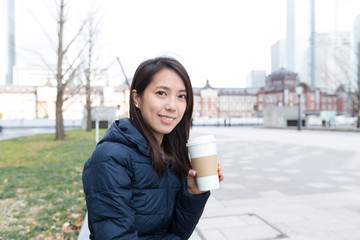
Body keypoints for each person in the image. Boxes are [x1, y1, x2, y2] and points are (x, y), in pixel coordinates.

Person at [82, 57, 224, 239]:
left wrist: (192, 194)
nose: (172, 106)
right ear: (136, 98)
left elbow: (177, 233)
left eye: (181, 96)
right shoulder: (110, 158)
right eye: (161, 93)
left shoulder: (171, 156)